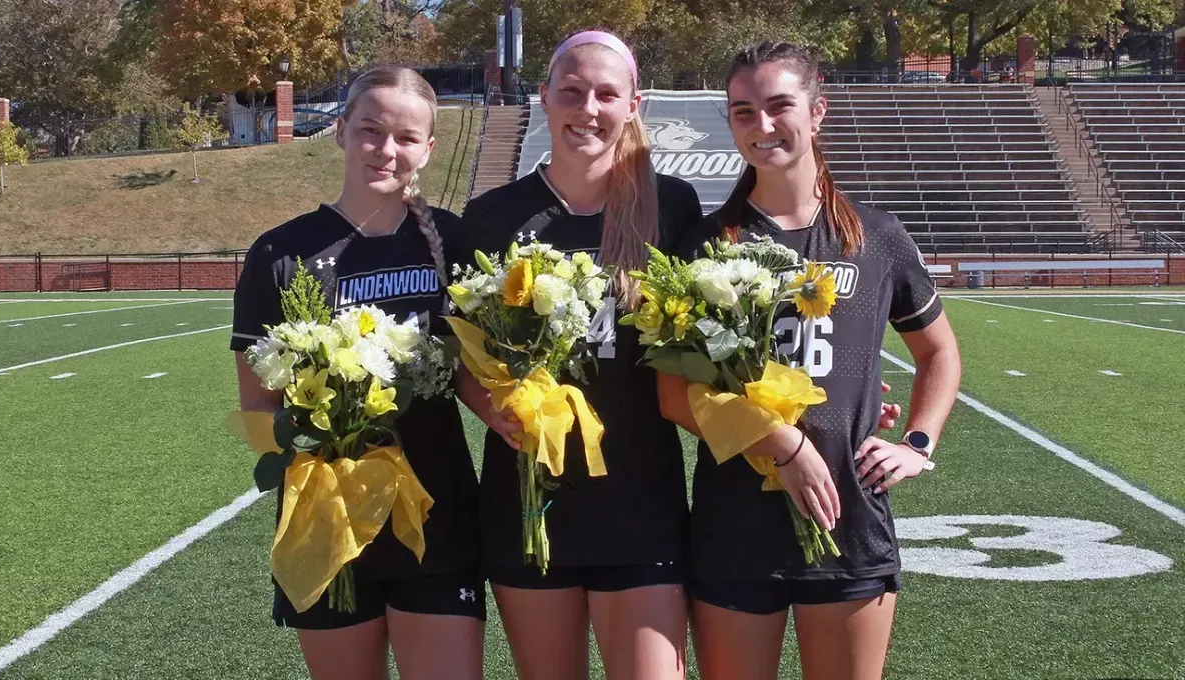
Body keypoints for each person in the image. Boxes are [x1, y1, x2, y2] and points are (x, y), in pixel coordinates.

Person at [658, 40, 962, 680]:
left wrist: (917, 442)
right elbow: (673, 395)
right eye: (743, 111)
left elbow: (939, 352)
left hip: (850, 517)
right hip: (735, 525)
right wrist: (784, 447)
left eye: (779, 106)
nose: (762, 126)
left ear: (817, 112)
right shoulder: (705, 244)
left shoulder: (875, 235)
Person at [455, 30, 702, 680]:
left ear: (633, 104)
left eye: (605, 94)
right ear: (544, 98)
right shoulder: (491, 217)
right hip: (530, 501)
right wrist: (492, 409)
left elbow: (710, 338)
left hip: (640, 501)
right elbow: (459, 351)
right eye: (571, 91)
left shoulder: (670, 207)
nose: (587, 108)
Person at [231, 65, 484, 680]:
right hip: (327, 521)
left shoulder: (454, 243)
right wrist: (332, 446)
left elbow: (481, 371)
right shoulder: (280, 252)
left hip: (434, 510)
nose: (386, 149)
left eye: (405, 137)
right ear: (341, 132)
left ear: (428, 148)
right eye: (370, 130)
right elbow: (258, 409)